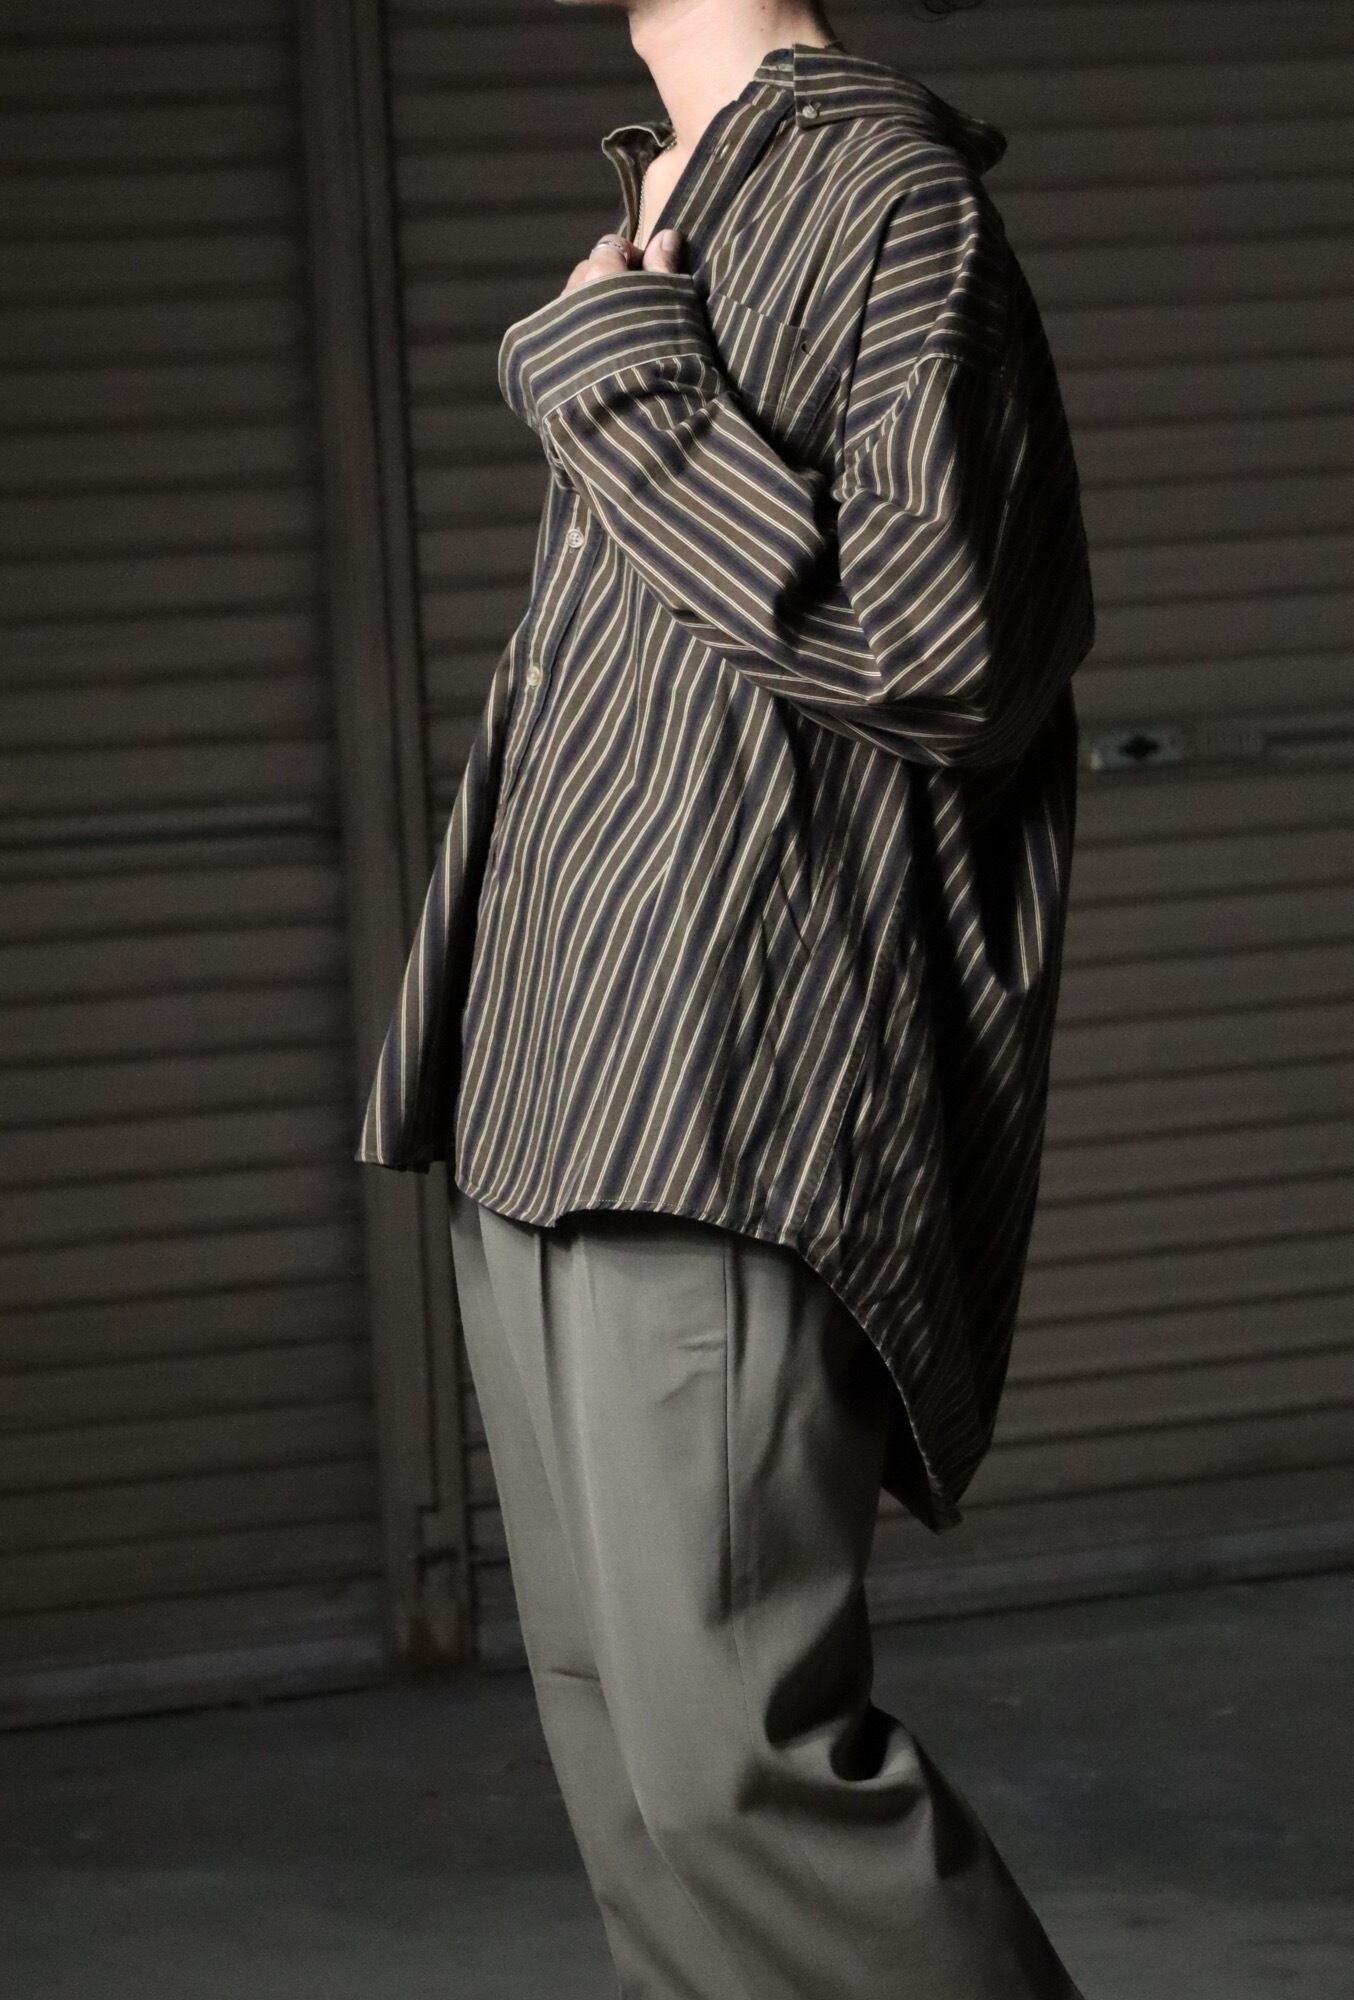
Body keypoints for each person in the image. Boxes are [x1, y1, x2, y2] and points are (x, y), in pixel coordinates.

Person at [355, 2, 1095, 1993]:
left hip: (713, 1080)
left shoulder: (884, 191)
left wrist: (620, 392)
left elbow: (950, 654)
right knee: (626, 1759)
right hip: (547, 1069)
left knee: (730, 1771)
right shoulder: (677, 192)